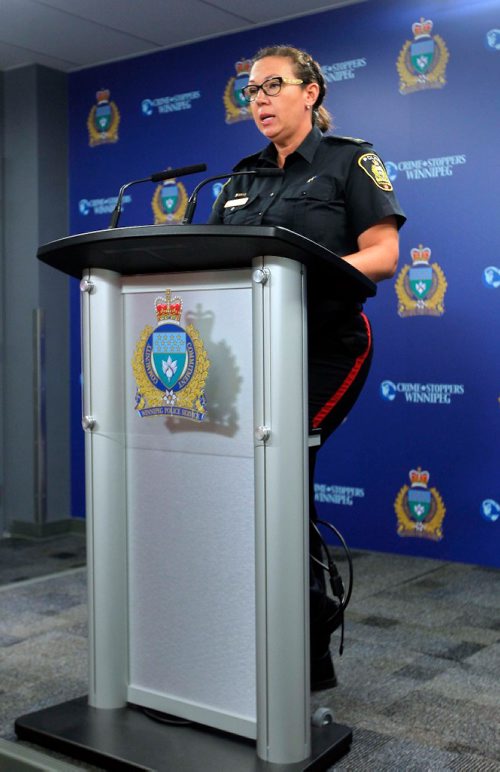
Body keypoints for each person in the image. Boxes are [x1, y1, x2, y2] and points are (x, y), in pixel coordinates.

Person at [208, 44, 406, 690]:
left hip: (327, 345)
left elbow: (383, 254)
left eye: (272, 86)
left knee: (282, 472)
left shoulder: (351, 160)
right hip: (252, 350)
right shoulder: (240, 179)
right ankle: (270, 630)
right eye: (250, 91)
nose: (258, 99)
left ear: (310, 92)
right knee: (254, 489)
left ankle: (307, 633)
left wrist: (308, 273)